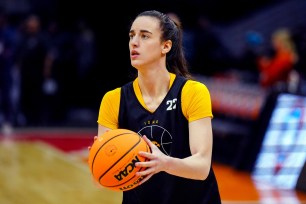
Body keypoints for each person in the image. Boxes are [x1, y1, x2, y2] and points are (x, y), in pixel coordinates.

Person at [93, 10, 221, 204]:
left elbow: (202, 166)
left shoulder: (192, 92)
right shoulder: (114, 99)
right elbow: (101, 181)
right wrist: (100, 161)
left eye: (144, 36)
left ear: (166, 46)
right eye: (131, 35)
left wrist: (164, 163)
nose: (134, 42)